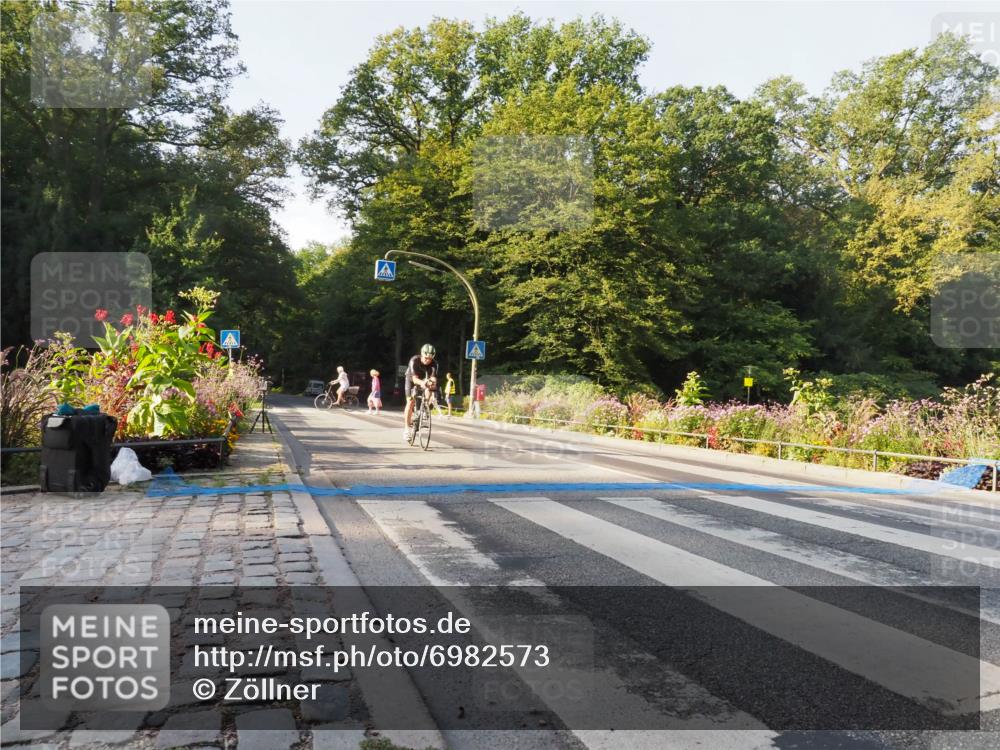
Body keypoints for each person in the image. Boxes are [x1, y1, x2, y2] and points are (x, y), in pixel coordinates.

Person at [403, 343, 438, 441]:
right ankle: (406, 430)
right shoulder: (414, 360)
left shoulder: (434, 364)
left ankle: (424, 407)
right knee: (410, 402)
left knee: (430, 387)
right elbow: (414, 379)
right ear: (422, 355)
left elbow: (433, 379)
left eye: (430, 359)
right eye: (426, 358)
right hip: (411, 379)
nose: (428, 360)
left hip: (425, 379)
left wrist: (432, 391)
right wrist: (423, 383)